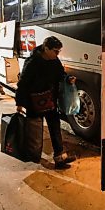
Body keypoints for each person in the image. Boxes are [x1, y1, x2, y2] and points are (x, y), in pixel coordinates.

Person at [15, 36, 77, 169]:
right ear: (46, 48)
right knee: (35, 133)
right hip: (33, 102)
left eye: (59, 51)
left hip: (50, 101)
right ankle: (33, 155)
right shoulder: (32, 62)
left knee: (55, 129)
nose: (57, 54)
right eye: (55, 51)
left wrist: (68, 79)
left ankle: (59, 158)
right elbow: (23, 83)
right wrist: (19, 103)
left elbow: (61, 74)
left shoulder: (54, 60)